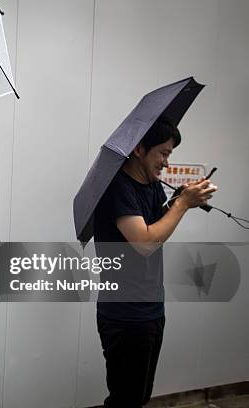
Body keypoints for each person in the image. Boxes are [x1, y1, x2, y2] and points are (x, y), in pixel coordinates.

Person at [93, 118, 217, 407]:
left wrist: (178, 199)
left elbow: (158, 226)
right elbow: (144, 241)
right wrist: (183, 204)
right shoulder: (117, 188)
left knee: (141, 395)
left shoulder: (151, 186)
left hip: (151, 308)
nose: (166, 162)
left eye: (169, 154)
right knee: (126, 398)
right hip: (124, 314)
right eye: (162, 153)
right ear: (139, 149)